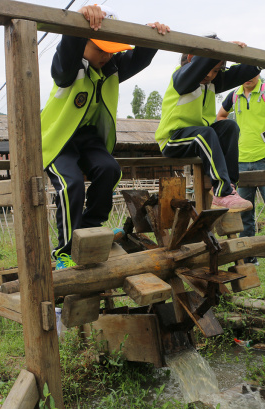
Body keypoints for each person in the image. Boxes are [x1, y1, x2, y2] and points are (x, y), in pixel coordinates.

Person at [40, 5, 170, 269]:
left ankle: (90, 228)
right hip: (58, 140)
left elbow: (141, 58)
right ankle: (64, 251)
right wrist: (80, 21)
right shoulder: (68, 68)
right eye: (100, 49)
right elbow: (68, 48)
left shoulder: (112, 67)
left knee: (110, 169)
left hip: (89, 140)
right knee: (71, 184)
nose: (105, 56)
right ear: (83, 42)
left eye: (110, 51)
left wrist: (153, 36)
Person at [155, 36, 265, 212]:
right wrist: (218, 48)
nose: (211, 75)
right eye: (208, 69)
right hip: (173, 139)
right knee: (206, 132)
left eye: (217, 71)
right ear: (190, 59)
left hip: (199, 137)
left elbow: (239, 73)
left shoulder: (210, 84)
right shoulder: (181, 78)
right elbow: (195, 69)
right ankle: (222, 192)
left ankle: (229, 187)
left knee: (229, 126)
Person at [216, 73, 265, 272]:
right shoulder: (234, 95)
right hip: (240, 161)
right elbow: (220, 116)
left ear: (259, 73)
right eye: (245, 73)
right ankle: (249, 258)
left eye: (253, 73)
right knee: (244, 214)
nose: (248, 77)